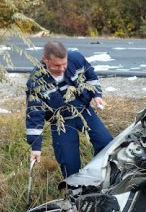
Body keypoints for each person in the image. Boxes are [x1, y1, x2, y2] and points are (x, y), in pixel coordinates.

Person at [25, 41, 113, 177]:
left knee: (107, 144)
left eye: (64, 64)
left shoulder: (76, 58)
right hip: (61, 122)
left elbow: (91, 76)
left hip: (83, 111)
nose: (62, 69)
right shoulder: (36, 82)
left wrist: (96, 94)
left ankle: (100, 176)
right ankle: (74, 191)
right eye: (56, 65)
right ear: (45, 60)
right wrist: (35, 147)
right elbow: (34, 114)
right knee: (69, 162)